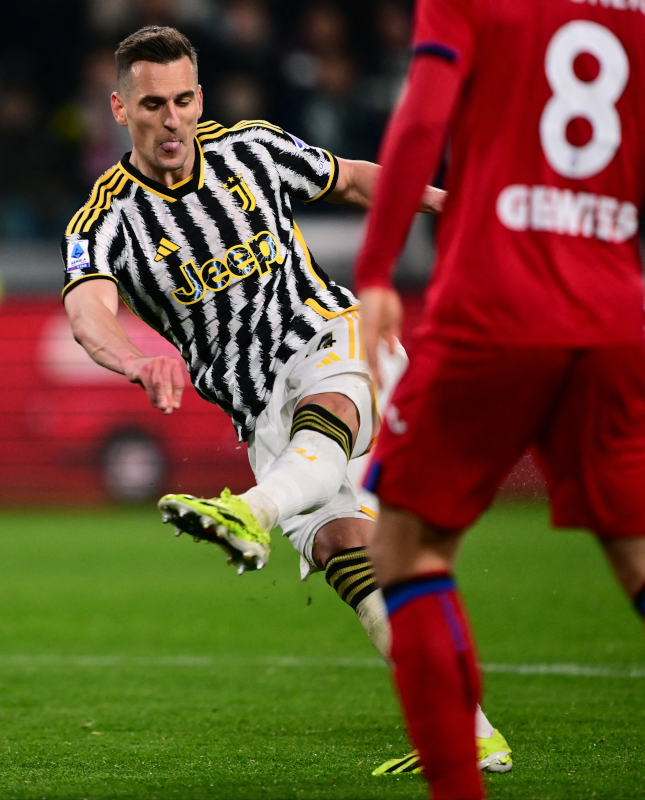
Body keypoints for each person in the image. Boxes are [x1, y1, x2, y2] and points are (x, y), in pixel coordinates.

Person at [61, 24, 512, 776]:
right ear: (118, 109)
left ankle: (250, 512)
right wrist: (139, 360)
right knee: (348, 550)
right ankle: (472, 734)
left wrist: (447, 203)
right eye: (150, 106)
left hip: (335, 338)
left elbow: (352, 177)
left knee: (327, 405)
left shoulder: (253, 149)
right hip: (261, 415)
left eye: (181, 101)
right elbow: (88, 314)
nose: (170, 120)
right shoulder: (106, 217)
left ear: (198, 97)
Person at [352, 0, 645, 798]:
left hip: (488, 313)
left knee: (406, 549)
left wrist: (375, 270)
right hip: (609, 325)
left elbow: (418, 126)